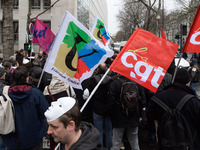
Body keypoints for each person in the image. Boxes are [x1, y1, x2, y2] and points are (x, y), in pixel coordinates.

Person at [147, 68, 200, 150]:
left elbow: (150, 119)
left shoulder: (157, 98)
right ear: (188, 82)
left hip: (164, 143)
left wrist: (153, 139)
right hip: (188, 144)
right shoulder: (194, 102)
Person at [1, 66, 49, 150]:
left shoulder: (5, 93)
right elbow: (45, 113)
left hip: (12, 138)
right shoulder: (36, 94)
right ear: (27, 78)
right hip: (32, 137)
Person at [109, 75, 146, 150]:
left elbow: (111, 101)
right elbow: (143, 101)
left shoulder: (115, 83)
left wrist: (112, 114)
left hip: (118, 117)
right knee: (134, 143)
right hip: (134, 117)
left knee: (116, 143)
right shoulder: (138, 83)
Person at [87, 63, 113, 150]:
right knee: (109, 131)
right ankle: (109, 147)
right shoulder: (110, 81)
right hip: (108, 109)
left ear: (97, 70)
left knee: (99, 131)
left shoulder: (93, 80)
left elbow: (90, 95)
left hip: (97, 109)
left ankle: (100, 148)